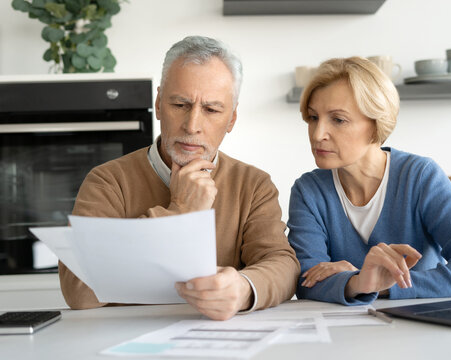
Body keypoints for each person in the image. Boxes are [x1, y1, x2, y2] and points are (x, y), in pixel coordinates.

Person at [59, 36, 300, 320]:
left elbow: (282, 264)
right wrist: (179, 211)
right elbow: (79, 292)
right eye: (180, 104)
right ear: (159, 104)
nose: (192, 125)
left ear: (232, 119)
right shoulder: (107, 181)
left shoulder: (253, 184)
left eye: (211, 110)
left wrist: (245, 288)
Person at [287, 57, 451, 305]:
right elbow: (307, 281)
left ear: (376, 124)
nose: (317, 134)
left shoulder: (420, 177)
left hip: (422, 328)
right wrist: (358, 282)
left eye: (338, 120)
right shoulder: (308, 191)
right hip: (345, 335)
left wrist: (383, 287)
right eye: (313, 118)